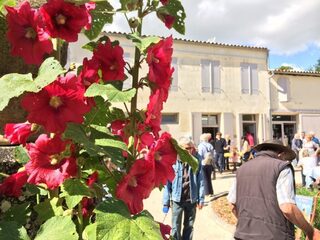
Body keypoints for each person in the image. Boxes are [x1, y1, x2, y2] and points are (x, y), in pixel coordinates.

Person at [227, 139, 320, 240]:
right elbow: (287, 208)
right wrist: (310, 230)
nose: (286, 160)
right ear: (281, 154)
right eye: (285, 158)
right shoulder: (281, 167)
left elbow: (232, 204)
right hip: (274, 235)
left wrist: (248, 224)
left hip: (243, 235)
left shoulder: (242, 169)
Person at [163, 137, 204, 240]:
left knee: (189, 226)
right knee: (175, 226)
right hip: (177, 200)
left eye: (190, 148)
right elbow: (167, 183)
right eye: (185, 148)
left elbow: (201, 181)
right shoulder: (173, 161)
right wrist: (166, 202)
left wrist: (201, 199)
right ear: (179, 149)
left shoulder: (197, 160)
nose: (188, 151)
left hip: (191, 199)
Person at [198, 133, 214, 197]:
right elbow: (213, 154)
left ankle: (206, 192)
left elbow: (200, 155)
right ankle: (211, 192)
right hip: (209, 163)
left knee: (204, 178)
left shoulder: (200, 146)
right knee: (209, 178)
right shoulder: (210, 145)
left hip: (203, 163)